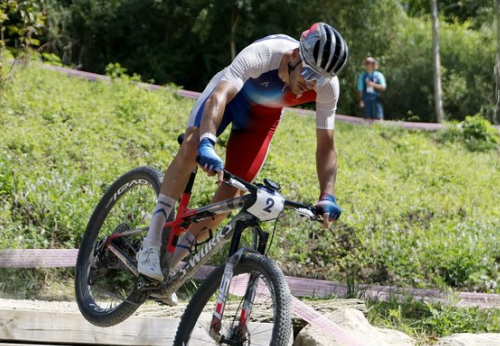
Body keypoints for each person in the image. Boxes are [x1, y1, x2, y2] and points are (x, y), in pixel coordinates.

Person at [137, 22, 349, 290]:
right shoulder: (265, 53)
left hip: (261, 120)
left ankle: (170, 270)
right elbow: (220, 96)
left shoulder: (327, 87)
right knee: (191, 145)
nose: (311, 84)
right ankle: (152, 240)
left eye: (319, 79)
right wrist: (206, 143)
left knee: (231, 195)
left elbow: (326, 145)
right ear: (296, 55)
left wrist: (327, 195)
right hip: (228, 99)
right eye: (308, 73)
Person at [357, 56, 386, 122]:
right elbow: (360, 89)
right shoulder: (362, 76)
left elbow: (383, 87)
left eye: (368, 63)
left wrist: (373, 85)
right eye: (365, 63)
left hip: (376, 99)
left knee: (379, 118)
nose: (366, 65)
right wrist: (361, 100)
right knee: (367, 119)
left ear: (373, 64)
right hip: (366, 99)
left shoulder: (379, 75)